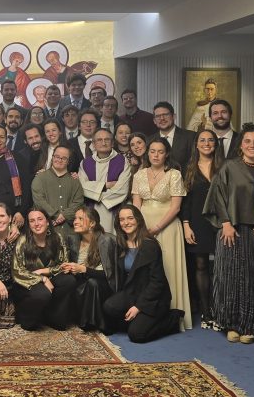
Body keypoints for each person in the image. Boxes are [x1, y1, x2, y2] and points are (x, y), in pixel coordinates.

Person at [204, 124, 254, 342]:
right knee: (229, 276)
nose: (252, 145)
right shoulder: (229, 167)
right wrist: (226, 223)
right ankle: (231, 324)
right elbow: (217, 195)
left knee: (253, 277)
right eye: (247, 141)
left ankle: (250, 325)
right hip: (231, 229)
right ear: (241, 145)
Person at [132, 137, 191, 330]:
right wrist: (139, 229)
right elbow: (136, 204)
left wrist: (156, 228)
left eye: (160, 151)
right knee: (147, 269)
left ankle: (172, 315)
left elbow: (176, 208)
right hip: (143, 226)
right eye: (152, 151)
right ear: (147, 153)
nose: (156, 155)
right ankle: (146, 313)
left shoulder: (174, 174)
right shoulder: (139, 175)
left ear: (166, 154)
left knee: (168, 267)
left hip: (167, 226)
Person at [102, 204, 183, 343]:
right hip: (132, 292)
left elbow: (157, 283)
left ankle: (172, 318)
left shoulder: (150, 246)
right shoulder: (120, 244)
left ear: (138, 220)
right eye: (122, 219)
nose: (126, 222)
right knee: (109, 307)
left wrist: (139, 307)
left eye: (130, 218)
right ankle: (138, 320)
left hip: (153, 297)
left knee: (136, 335)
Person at [179, 129, 221, 328]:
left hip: (222, 222)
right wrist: (186, 225)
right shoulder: (188, 169)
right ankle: (206, 312)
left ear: (216, 144)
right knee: (201, 265)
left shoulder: (224, 166)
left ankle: (221, 310)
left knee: (222, 267)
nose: (206, 143)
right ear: (196, 144)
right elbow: (185, 201)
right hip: (197, 222)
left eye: (210, 140)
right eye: (202, 140)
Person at [11, 207, 76, 331]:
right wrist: (42, 279)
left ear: (47, 222)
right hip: (27, 282)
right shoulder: (23, 241)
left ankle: (53, 317)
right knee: (42, 293)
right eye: (32, 221)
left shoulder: (57, 238)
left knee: (69, 280)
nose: (36, 223)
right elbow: (17, 271)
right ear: (29, 224)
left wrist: (45, 271)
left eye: (40, 219)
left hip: (51, 278)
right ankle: (27, 318)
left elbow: (64, 265)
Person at [62, 205, 117, 332]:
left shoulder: (106, 240)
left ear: (92, 223)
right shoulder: (72, 239)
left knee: (93, 283)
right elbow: (71, 265)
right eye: (75, 218)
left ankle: (94, 323)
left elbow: (109, 275)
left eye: (80, 219)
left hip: (102, 284)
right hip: (81, 280)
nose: (75, 222)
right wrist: (68, 267)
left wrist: (83, 269)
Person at [78, 128, 132, 233]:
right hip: (91, 210)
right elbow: (82, 186)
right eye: (99, 140)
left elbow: (122, 189)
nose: (103, 143)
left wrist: (96, 194)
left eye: (107, 139)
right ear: (93, 144)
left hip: (114, 209)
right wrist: (105, 185)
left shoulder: (122, 161)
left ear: (112, 143)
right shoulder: (85, 163)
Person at [0, 126, 31, 229]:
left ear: (6, 139)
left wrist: (21, 212)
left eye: (2, 137)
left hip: (15, 216)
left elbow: (26, 187)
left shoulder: (18, 158)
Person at [31, 146, 85, 237]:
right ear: (52, 157)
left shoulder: (75, 181)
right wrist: (56, 215)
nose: (60, 160)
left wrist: (64, 215)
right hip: (46, 231)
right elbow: (39, 201)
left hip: (70, 232)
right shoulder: (39, 178)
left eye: (64, 158)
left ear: (68, 161)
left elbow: (78, 202)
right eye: (57, 156)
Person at [148, 101, 195, 170]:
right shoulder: (149, 140)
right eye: (158, 116)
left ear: (174, 116)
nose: (162, 118)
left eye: (165, 114)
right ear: (154, 121)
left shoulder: (190, 137)